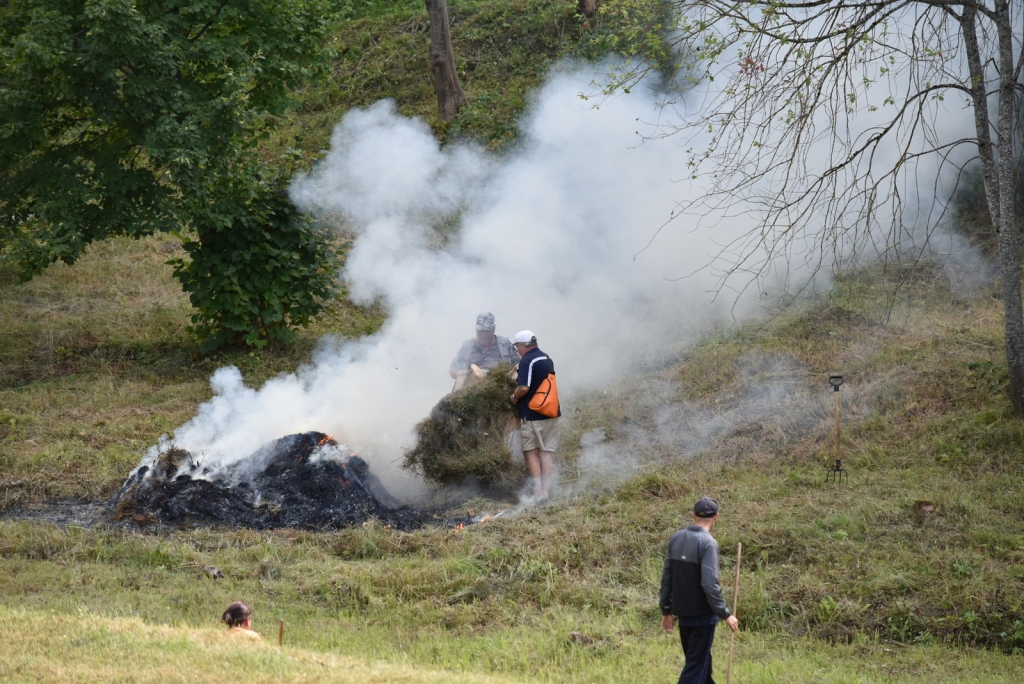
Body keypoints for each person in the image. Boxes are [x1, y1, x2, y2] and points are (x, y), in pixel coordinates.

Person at [659, 497, 739, 684]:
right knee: (695, 667)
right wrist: (725, 614)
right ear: (716, 517)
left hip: (683, 615)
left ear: (693, 515)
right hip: (703, 617)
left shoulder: (676, 538)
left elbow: (667, 578)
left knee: (701, 663)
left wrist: (666, 610)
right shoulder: (708, 543)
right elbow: (709, 584)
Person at [509, 331, 559, 501]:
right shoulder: (546, 358)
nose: (517, 351)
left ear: (523, 346)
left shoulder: (527, 361)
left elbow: (523, 387)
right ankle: (546, 492)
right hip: (551, 413)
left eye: (517, 347)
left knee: (531, 453)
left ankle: (537, 492)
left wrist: (514, 397)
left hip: (532, 416)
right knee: (546, 453)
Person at [449, 312, 519, 380]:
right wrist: (462, 376)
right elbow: (453, 368)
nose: (483, 335)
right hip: (472, 388)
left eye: (487, 331)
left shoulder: (505, 344)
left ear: (494, 329)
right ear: (476, 329)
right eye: (481, 331)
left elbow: (519, 365)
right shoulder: (467, 347)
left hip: (501, 387)